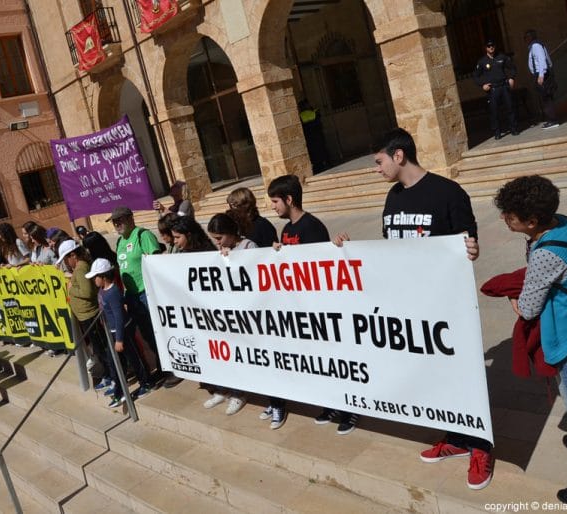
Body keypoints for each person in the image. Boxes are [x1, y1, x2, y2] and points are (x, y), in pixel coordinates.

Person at [334, 127, 486, 489]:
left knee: (465, 376)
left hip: (447, 307)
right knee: (436, 375)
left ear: (398, 155)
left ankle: (481, 447)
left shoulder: (448, 192)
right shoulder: (394, 197)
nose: (376, 169)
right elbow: (391, 250)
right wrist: (347, 249)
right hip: (411, 307)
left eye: (379, 161)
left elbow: (468, 243)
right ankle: (456, 438)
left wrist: (472, 249)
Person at [494, 175, 567, 505]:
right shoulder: (564, 223)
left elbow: (528, 308)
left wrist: (514, 299)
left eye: (510, 216)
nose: (504, 218)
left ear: (532, 221)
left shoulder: (546, 254)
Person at [262, 174, 339, 431]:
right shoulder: (287, 230)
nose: (273, 206)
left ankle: (341, 406)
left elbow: (319, 265)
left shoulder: (312, 227)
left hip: (316, 306)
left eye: (275, 201)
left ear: (289, 199)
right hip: (297, 306)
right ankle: (328, 401)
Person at [109, 206, 177, 387]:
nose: (117, 224)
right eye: (114, 222)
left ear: (130, 218)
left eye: (119, 220)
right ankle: (163, 366)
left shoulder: (143, 235)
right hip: (132, 296)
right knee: (148, 335)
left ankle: (173, 369)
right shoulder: (120, 241)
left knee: (158, 332)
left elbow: (157, 263)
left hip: (146, 294)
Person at [200, 213, 256, 416]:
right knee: (225, 353)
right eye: (214, 238)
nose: (217, 242)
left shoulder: (249, 246)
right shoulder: (222, 250)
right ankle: (225, 389)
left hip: (246, 312)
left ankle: (240, 393)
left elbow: (253, 275)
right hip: (226, 311)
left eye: (219, 238)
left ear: (231, 233)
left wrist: (231, 260)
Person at [86, 258, 154, 407]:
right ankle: (120, 391)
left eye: (95, 277)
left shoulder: (113, 293)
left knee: (134, 358)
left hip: (122, 332)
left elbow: (119, 316)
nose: (93, 280)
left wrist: (119, 339)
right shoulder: (102, 291)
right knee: (115, 363)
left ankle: (146, 383)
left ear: (104, 277)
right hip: (111, 332)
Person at [56, 239, 111, 378]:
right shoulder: (79, 268)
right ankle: (109, 374)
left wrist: (71, 289)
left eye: (66, 259)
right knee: (98, 348)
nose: (66, 263)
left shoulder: (81, 268)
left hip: (90, 315)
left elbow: (87, 292)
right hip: (85, 315)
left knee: (102, 348)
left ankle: (112, 375)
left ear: (73, 255)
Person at [473, 38, 518, 139]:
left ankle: (514, 128)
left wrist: (511, 78)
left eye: (492, 45)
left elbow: (512, 67)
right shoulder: (482, 61)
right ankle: (497, 132)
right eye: (488, 46)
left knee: (510, 108)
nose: (491, 47)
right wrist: (482, 85)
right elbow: (476, 76)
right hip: (493, 89)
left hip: (504, 86)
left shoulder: (501, 57)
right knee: (494, 111)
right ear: (486, 48)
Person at [525, 29, 559, 129]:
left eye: (526, 37)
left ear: (531, 37)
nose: (525, 40)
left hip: (542, 75)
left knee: (546, 98)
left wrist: (541, 75)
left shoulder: (536, 46)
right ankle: (551, 119)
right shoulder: (534, 46)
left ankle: (552, 120)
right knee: (545, 98)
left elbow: (541, 59)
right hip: (541, 74)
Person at [298, 99, 329, 173]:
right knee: (322, 151)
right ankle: (325, 164)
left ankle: (317, 167)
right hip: (317, 136)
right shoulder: (314, 113)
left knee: (313, 155)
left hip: (308, 138)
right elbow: (319, 124)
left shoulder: (300, 116)